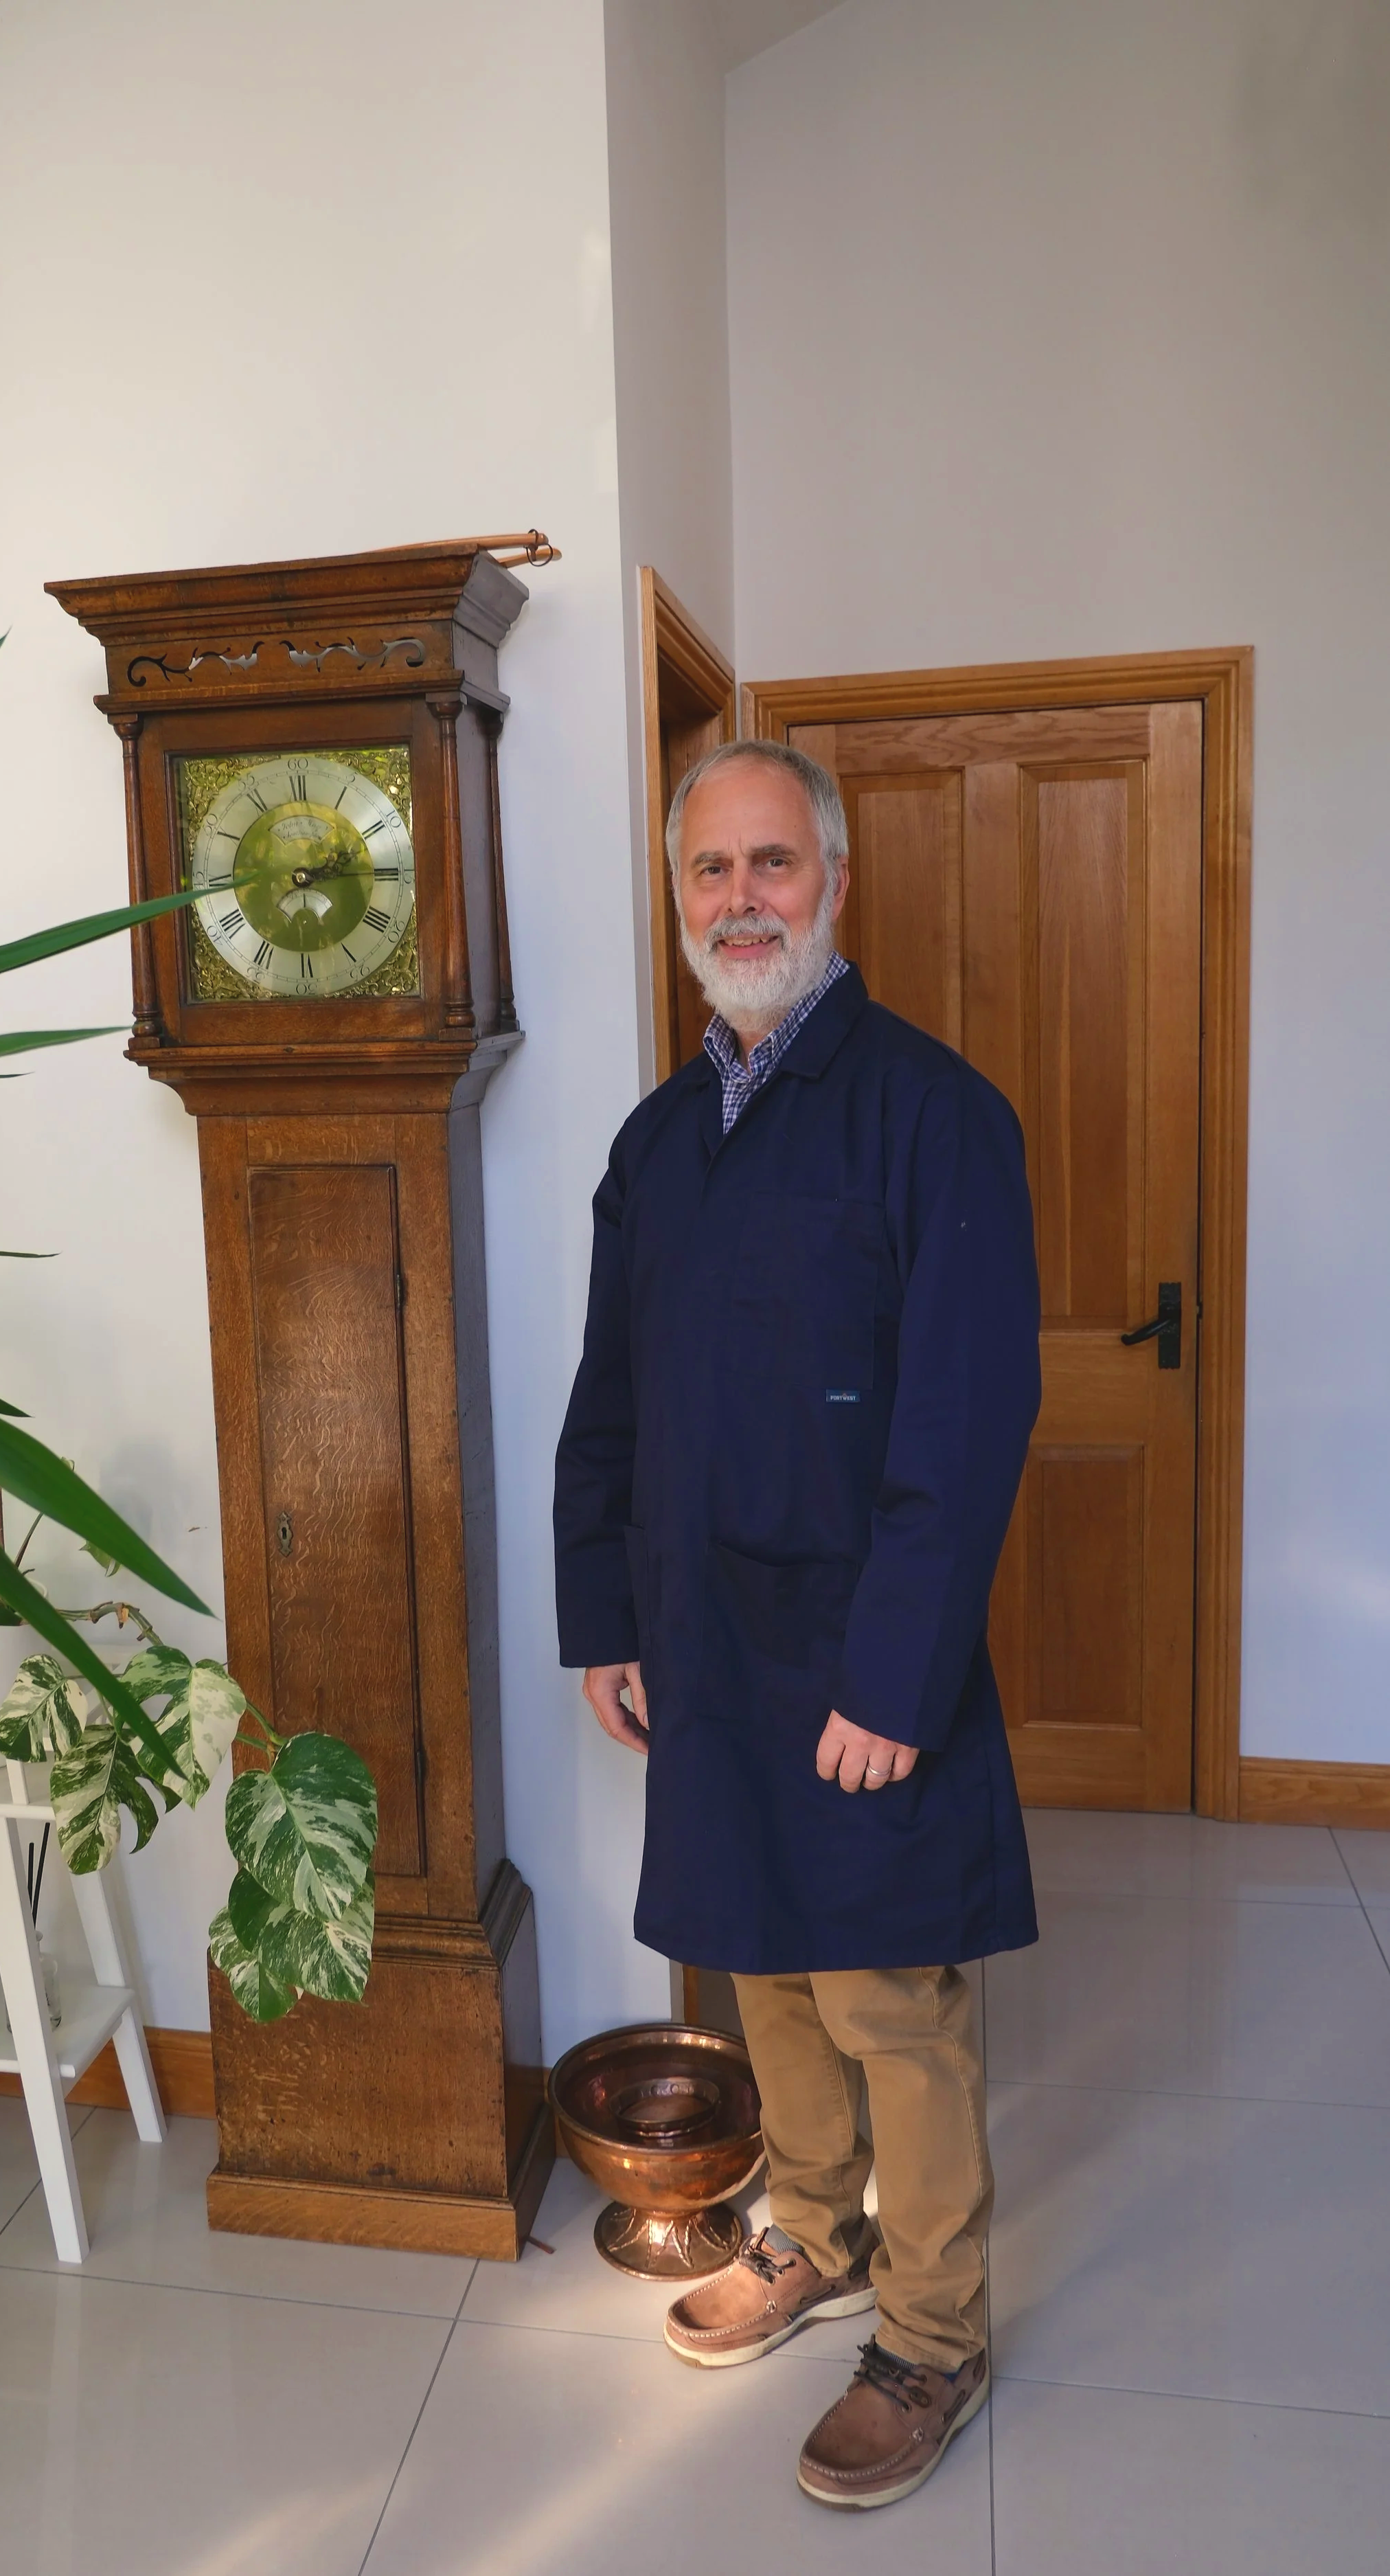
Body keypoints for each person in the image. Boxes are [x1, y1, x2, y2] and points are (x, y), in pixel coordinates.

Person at [553, 738, 1042, 2512]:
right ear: (679, 894)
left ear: (832, 879)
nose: (740, 896)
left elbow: (966, 1416)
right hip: (704, 1634)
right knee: (759, 1955)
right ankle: (814, 2236)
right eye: (711, 867)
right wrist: (602, 1612)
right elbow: (610, 1395)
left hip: (858, 1649)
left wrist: (898, 1677)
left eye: (772, 862)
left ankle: (931, 2329)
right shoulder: (656, 1141)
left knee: (885, 1991)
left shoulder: (932, 1112)